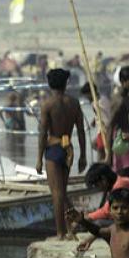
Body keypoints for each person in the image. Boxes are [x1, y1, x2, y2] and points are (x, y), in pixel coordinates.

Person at [36, 68, 87, 239]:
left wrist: (38, 158)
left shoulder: (48, 104)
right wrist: (83, 155)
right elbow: (81, 130)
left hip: (53, 148)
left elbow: (43, 133)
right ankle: (71, 228)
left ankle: (60, 232)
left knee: (57, 194)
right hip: (68, 149)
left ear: (50, 84)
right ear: (66, 83)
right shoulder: (74, 103)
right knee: (63, 192)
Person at [108, 66, 129, 177]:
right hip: (119, 139)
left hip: (126, 137)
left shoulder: (127, 97)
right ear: (123, 82)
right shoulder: (119, 101)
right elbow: (110, 126)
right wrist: (109, 155)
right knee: (125, 171)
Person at [84, 82, 110, 162]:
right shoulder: (100, 100)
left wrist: (106, 130)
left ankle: (103, 163)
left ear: (90, 93)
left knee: (100, 153)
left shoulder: (99, 102)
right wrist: (93, 121)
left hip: (104, 131)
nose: (86, 98)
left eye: (87, 96)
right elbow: (99, 115)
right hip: (102, 131)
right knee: (94, 144)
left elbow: (106, 117)